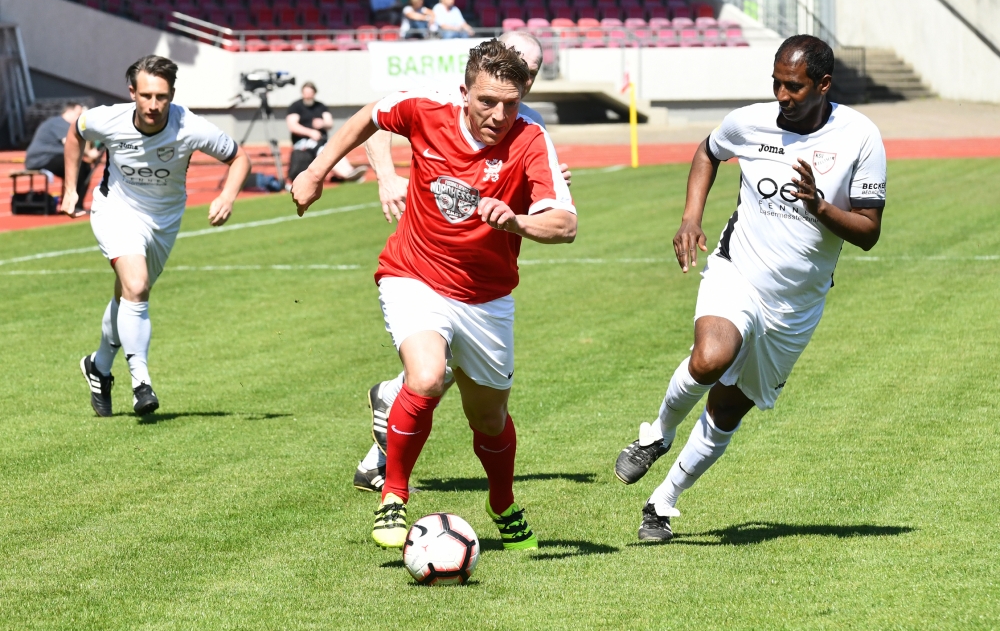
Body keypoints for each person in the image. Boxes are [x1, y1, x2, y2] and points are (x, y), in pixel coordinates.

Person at [291, 39, 577, 549]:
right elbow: (369, 117)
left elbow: (566, 223)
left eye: (510, 104)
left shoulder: (532, 137)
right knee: (424, 378)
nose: (498, 114)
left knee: (488, 419)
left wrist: (518, 220)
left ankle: (502, 502)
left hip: (486, 297)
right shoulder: (429, 107)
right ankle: (393, 496)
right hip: (414, 274)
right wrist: (316, 171)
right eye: (487, 101)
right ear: (465, 91)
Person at [612, 35, 887, 541]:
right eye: (777, 83)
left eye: (795, 87)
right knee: (710, 358)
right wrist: (691, 216)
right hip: (736, 270)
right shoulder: (749, 121)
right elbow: (707, 152)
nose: (782, 95)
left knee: (727, 408)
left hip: (796, 304)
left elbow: (869, 232)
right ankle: (655, 435)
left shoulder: (861, 137)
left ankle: (663, 503)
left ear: (823, 85)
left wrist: (821, 207)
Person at [353, 31, 569, 493]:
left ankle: (388, 407)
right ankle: (388, 474)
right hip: (420, 261)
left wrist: (531, 198)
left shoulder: (524, 125)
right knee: (429, 374)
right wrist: (387, 176)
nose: (521, 86)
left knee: (448, 378)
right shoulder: (454, 94)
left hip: (481, 283)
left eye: (529, 77)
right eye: (518, 70)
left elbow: (558, 217)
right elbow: (375, 122)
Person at [65, 55, 251, 417]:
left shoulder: (190, 127)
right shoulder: (108, 118)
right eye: (146, 95)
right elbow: (75, 132)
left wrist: (227, 197)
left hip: (164, 221)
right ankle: (141, 382)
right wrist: (70, 188)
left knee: (128, 297)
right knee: (136, 285)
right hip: (115, 209)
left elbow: (240, 158)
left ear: (172, 95)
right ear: (132, 92)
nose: (154, 105)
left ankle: (99, 366)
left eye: (162, 97)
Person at [24, 102, 101, 218]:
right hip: (41, 159)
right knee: (78, 167)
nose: (81, 117)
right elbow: (71, 143)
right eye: (79, 114)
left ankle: (74, 204)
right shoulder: (60, 123)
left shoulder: (58, 122)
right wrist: (90, 153)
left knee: (83, 167)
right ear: (69, 112)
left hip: (48, 157)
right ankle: (72, 205)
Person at [286, 82, 366, 185]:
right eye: (305, 92)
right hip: (302, 141)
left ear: (314, 93)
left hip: (321, 140)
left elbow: (329, 123)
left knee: (334, 148)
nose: (307, 95)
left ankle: (350, 171)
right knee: (323, 151)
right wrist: (310, 132)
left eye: (310, 92)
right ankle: (345, 174)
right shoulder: (295, 106)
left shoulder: (320, 106)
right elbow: (292, 126)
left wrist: (322, 124)